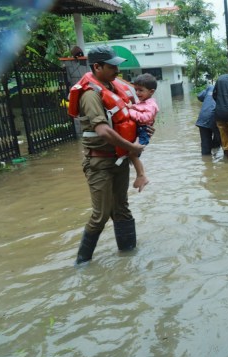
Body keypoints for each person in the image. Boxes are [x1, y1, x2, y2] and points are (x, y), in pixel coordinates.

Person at [67, 45, 149, 265]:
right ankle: (82, 264)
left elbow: (127, 119)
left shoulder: (112, 88)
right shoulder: (90, 95)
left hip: (118, 160)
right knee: (100, 215)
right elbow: (103, 130)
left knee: (121, 209)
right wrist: (132, 148)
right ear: (97, 67)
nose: (117, 70)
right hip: (99, 162)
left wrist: (142, 131)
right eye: (112, 66)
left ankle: (129, 256)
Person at [125, 72, 159, 192]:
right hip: (140, 130)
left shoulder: (151, 105)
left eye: (141, 90)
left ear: (151, 91)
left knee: (133, 153)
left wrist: (129, 111)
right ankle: (140, 175)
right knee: (131, 153)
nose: (137, 93)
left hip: (143, 131)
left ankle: (141, 175)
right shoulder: (144, 102)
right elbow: (138, 108)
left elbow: (144, 118)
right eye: (136, 90)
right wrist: (133, 107)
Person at [195, 84, 221, 157]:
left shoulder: (210, 87)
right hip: (217, 118)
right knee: (222, 141)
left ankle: (207, 163)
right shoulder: (225, 88)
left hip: (203, 118)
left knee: (205, 146)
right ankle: (216, 154)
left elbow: (200, 96)